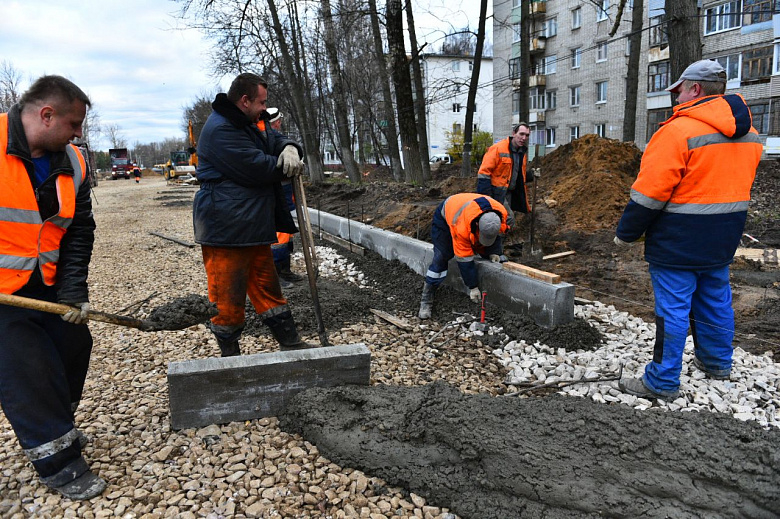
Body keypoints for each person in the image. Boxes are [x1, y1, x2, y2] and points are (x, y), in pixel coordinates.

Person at [615, 60, 762, 399]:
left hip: (678, 241)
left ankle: (662, 382)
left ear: (695, 89)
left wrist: (626, 233)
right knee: (716, 302)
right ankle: (716, 364)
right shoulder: (751, 135)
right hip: (723, 238)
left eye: (678, 89)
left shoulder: (677, 132)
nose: (675, 97)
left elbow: (649, 195)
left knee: (673, 311)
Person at [0, 75, 104, 499]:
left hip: (44, 282)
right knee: (26, 366)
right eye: (74, 124)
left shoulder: (74, 161)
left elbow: (79, 230)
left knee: (74, 344)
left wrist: (73, 290)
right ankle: (57, 462)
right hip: (2, 294)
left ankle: (57, 428)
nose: (79, 133)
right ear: (46, 115)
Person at [193, 73, 311, 357]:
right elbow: (256, 167)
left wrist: (291, 149)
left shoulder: (246, 122)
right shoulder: (221, 129)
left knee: (268, 288)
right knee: (227, 298)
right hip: (226, 228)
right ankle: (231, 358)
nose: (264, 108)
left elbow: (274, 139)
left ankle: (291, 343)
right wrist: (285, 166)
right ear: (244, 100)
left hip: (252, 225)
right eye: (261, 102)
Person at [419, 193, 509, 319]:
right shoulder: (460, 226)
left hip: (471, 210)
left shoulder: (501, 214)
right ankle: (426, 298)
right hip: (446, 215)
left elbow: (497, 234)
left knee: (482, 247)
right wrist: (472, 286)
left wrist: (494, 251)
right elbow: (464, 259)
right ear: (477, 225)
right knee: (442, 256)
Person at [261, 108, 304, 288]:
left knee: (286, 234)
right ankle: (275, 275)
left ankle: (284, 269)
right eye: (278, 121)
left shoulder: (279, 140)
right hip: (273, 196)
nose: (279, 124)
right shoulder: (264, 139)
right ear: (275, 122)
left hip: (286, 196)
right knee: (277, 235)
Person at [476, 123, 531, 227]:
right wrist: (486, 196)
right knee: (508, 218)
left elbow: (516, 173)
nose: (524, 138)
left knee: (502, 220)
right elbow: (484, 173)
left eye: (527, 135)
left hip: (509, 193)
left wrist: (531, 175)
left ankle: (498, 240)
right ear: (514, 133)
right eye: (521, 134)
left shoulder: (521, 153)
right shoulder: (497, 148)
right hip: (496, 193)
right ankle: (495, 241)